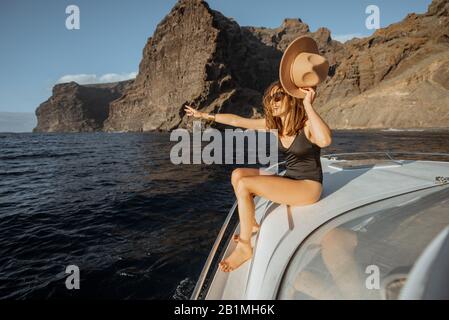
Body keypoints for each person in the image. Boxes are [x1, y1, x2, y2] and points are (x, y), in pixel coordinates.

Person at [184, 35, 333, 272]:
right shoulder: (274, 125)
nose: (272, 102)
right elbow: (237, 120)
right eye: (269, 98)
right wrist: (205, 116)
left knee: (245, 186)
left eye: (277, 97)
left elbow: (325, 140)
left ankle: (245, 247)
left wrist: (308, 105)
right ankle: (251, 223)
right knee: (238, 174)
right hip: (289, 178)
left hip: (308, 187)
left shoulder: (306, 124)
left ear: (290, 99)